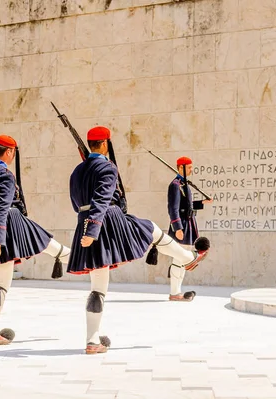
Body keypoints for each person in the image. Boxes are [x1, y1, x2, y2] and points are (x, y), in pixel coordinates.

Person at [67, 126, 211, 354]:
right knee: (150, 228)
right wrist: (94, 230)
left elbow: (76, 202)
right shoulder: (106, 167)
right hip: (106, 220)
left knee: (98, 287)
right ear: (105, 144)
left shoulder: (77, 171)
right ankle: (187, 257)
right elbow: (103, 198)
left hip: (84, 221)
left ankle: (92, 340)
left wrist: (87, 225)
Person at [0, 135, 70, 346]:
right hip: (8, 224)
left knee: (2, 282)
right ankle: (80, 258)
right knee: (47, 244)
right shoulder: (4, 175)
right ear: (8, 152)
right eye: (13, 152)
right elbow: (1, 207)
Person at [166, 156, 213, 302]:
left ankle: (177, 290)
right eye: (189, 167)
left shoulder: (183, 183)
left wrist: (202, 202)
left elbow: (187, 205)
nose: (192, 169)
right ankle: (174, 292)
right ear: (181, 168)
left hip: (188, 223)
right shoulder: (175, 185)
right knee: (178, 259)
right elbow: (173, 208)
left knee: (183, 259)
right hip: (182, 225)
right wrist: (177, 227)